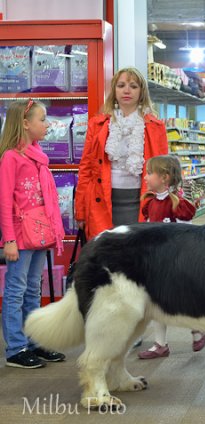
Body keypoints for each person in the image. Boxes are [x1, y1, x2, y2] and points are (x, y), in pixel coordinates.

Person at [0, 99, 66, 368]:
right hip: (20, 235)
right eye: (42, 119)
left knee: (32, 289)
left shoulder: (38, 156)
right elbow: (4, 201)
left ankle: (34, 340)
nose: (47, 124)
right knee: (16, 290)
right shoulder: (11, 158)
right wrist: (9, 240)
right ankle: (16, 347)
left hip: (39, 232)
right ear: (26, 124)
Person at [75, 67, 168, 240]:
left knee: (140, 255)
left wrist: (167, 206)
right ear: (114, 90)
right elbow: (86, 169)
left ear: (141, 92)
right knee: (106, 255)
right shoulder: (97, 124)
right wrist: (80, 211)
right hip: (101, 201)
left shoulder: (156, 126)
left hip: (142, 202)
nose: (126, 90)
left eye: (133, 86)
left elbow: (164, 171)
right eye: (121, 85)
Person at [136, 155, 205, 359]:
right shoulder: (149, 203)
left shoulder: (178, 205)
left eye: (150, 173)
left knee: (180, 300)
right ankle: (160, 344)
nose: (145, 178)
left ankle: (197, 327)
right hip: (155, 262)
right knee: (155, 303)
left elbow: (188, 236)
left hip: (176, 263)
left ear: (164, 178)